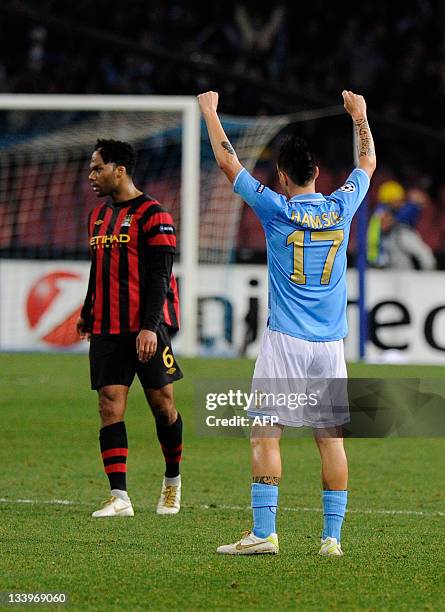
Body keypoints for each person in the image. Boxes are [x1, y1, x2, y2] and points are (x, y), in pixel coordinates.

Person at [198, 89, 376, 556]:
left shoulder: (275, 208)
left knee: (265, 431)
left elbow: (228, 163)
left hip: (285, 343)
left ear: (281, 176)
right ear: (317, 173)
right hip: (330, 346)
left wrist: (210, 113)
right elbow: (368, 163)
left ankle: (263, 533)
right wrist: (360, 116)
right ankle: (332, 540)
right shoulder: (342, 206)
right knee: (330, 440)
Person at [76, 139, 184, 518]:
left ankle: (172, 482)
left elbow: (161, 276)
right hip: (107, 327)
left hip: (146, 328)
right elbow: (98, 269)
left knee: (163, 405)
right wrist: (88, 311)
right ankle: (119, 496)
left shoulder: (155, 215)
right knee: (109, 405)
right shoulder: (97, 217)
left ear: (119, 170)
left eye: (97, 168)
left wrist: (151, 327)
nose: (91, 176)